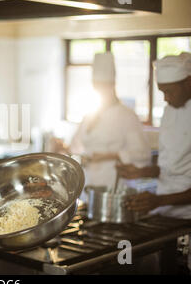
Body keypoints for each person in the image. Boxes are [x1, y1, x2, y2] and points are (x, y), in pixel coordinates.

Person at [117, 52, 191, 275]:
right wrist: (141, 172)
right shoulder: (169, 110)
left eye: (168, 91)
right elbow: (171, 165)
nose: (165, 98)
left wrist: (159, 200)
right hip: (165, 209)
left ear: (187, 82)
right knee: (163, 268)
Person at [58, 52, 151, 197]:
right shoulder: (89, 115)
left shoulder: (127, 115)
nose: (99, 90)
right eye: (96, 86)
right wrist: (62, 148)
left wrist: (108, 156)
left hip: (115, 186)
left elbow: (142, 154)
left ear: (113, 86)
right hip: (88, 185)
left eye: (103, 86)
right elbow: (75, 148)